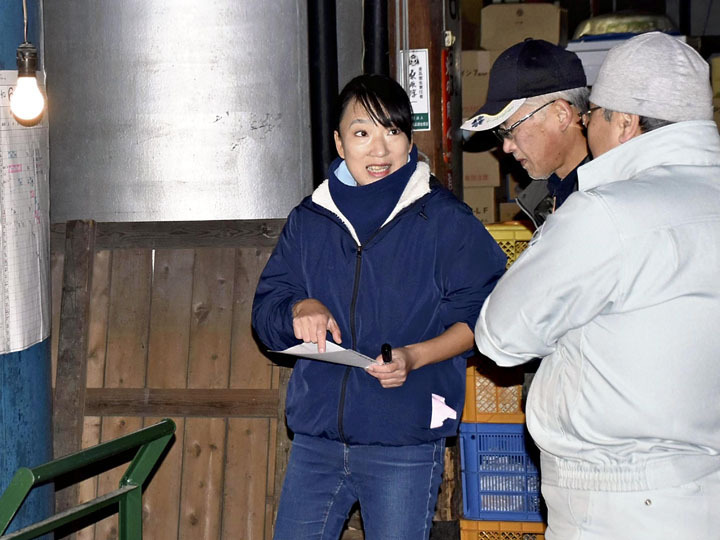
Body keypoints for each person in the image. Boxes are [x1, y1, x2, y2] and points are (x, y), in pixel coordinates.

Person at [474, 31, 720, 540]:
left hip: (620, 501)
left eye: (598, 113)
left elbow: (500, 335)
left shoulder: (609, 212)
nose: (590, 122)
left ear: (626, 123)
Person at [253, 74, 506, 540]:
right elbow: (265, 315)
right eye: (362, 133)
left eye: (392, 131)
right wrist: (298, 307)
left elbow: (486, 315)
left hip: (403, 439)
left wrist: (415, 356)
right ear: (339, 141)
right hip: (316, 441)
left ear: (409, 141)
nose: (379, 149)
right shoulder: (310, 219)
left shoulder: (443, 219)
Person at [462, 39, 590, 228]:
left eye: (511, 130)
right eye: (503, 134)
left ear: (561, 115)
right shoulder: (550, 193)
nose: (507, 147)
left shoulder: (606, 195)